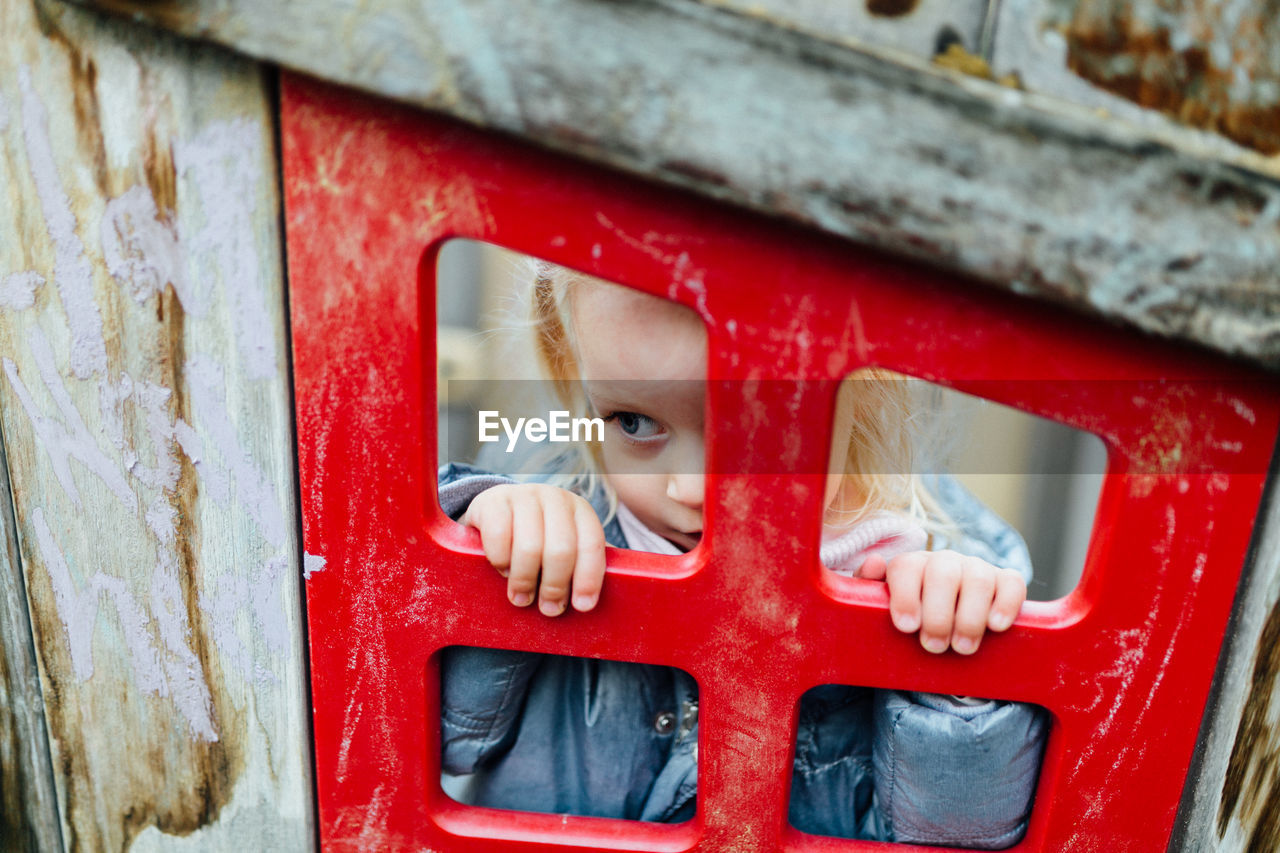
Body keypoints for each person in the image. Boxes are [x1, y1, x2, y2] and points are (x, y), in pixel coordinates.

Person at [438, 264, 1046, 847]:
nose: (690, 490)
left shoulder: (938, 555)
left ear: (864, 395)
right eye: (632, 420)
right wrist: (490, 545)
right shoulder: (562, 499)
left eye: (754, 423)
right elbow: (443, 741)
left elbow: (963, 833)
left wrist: (953, 668)